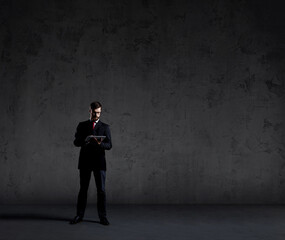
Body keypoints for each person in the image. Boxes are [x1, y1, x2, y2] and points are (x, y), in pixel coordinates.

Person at [70, 101, 112, 225]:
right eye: (94, 113)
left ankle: (103, 217)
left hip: (99, 163)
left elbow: (109, 145)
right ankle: (79, 215)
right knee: (83, 190)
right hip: (85, 162)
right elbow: (76, 143)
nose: (97, 115)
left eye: (99, 113)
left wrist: (99, 144)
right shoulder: (82, 125)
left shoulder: (105, 127)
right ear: (90, 111)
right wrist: (85, 140)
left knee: (101, 191)